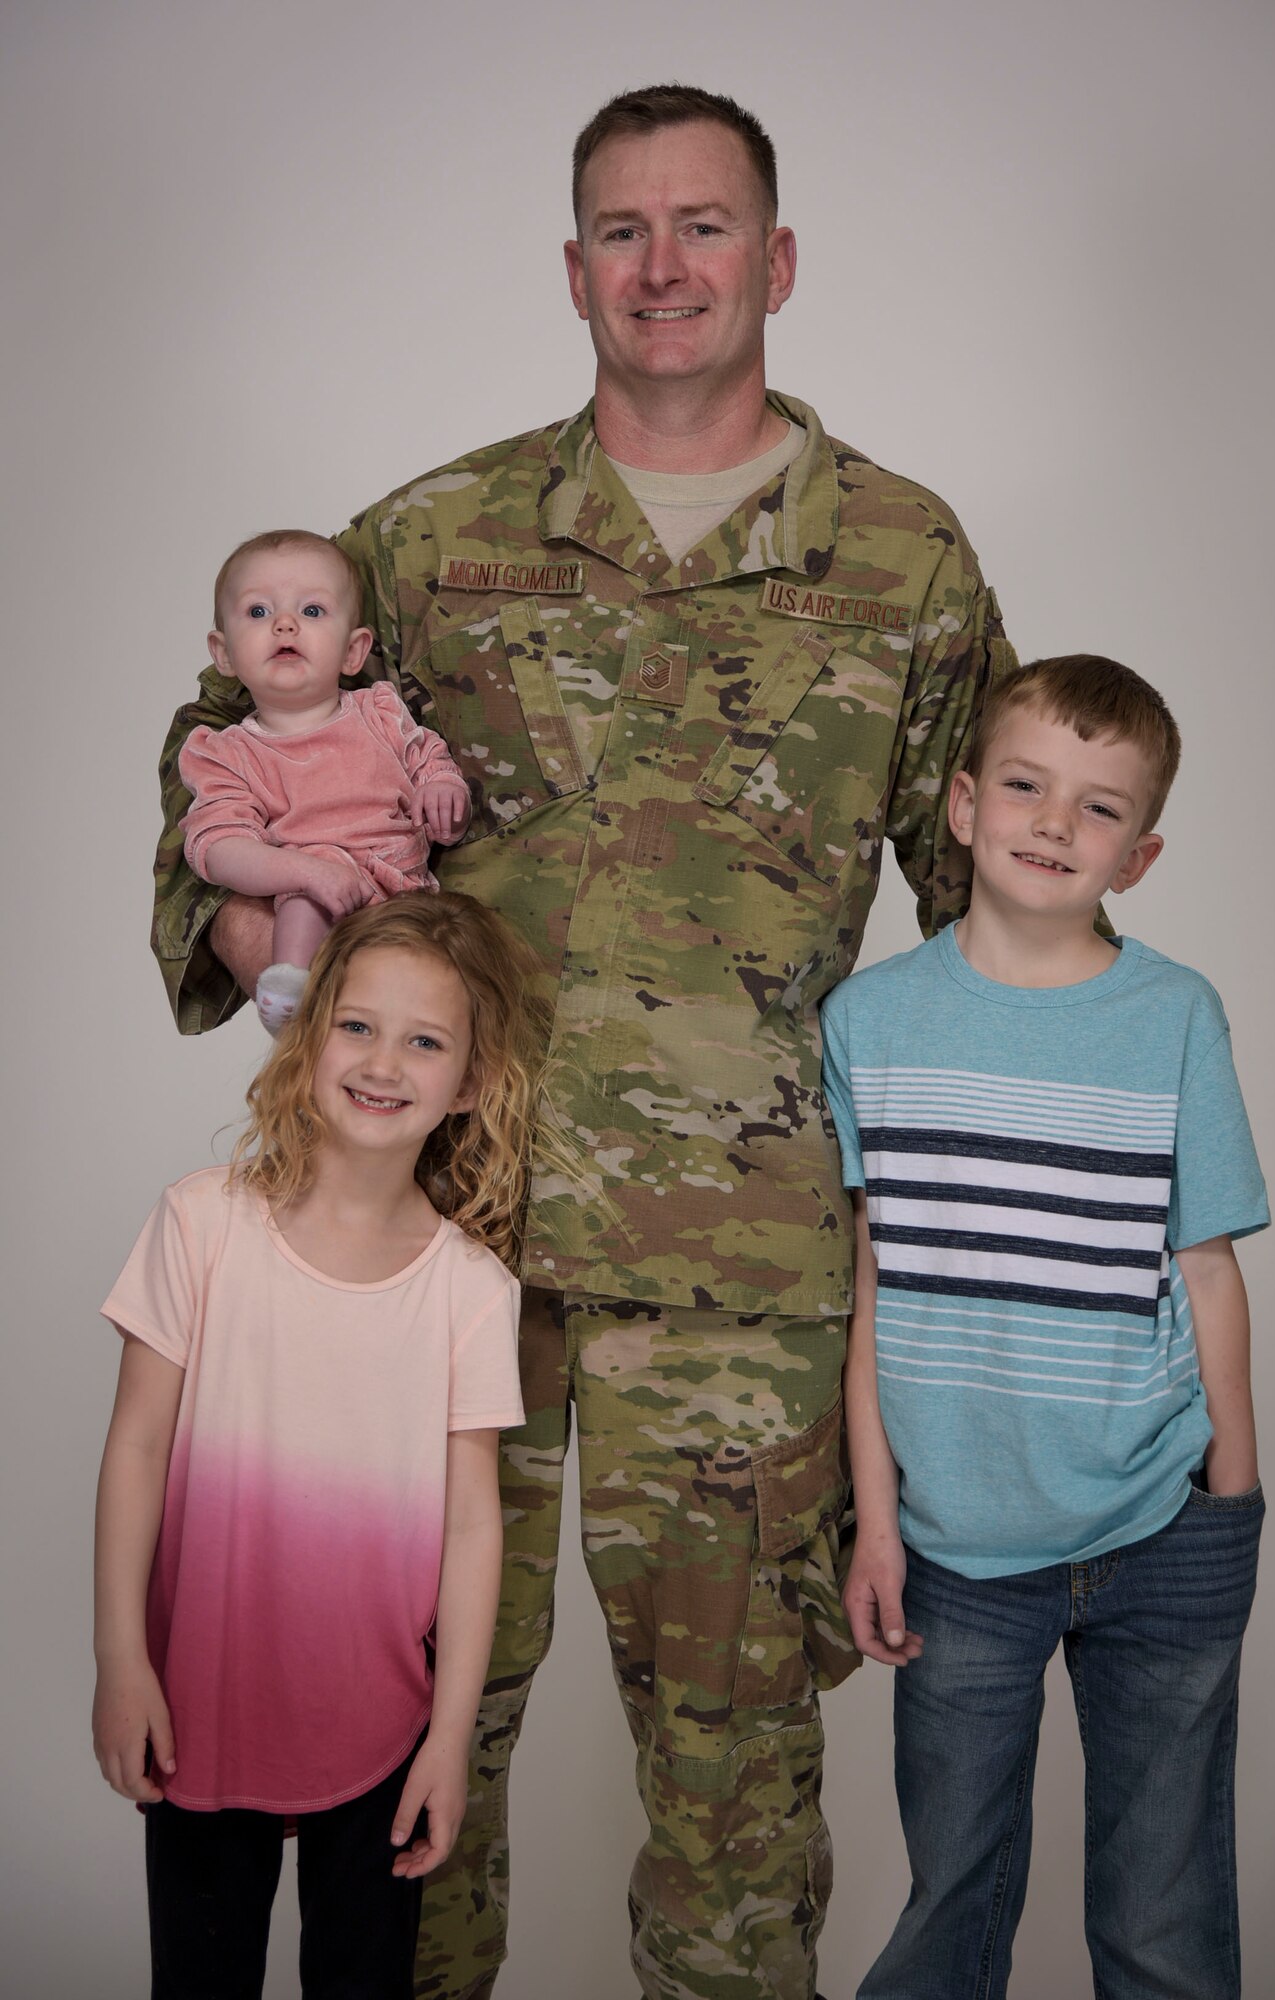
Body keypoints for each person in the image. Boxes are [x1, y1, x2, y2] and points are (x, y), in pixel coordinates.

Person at [150, 82, 1015, 2000]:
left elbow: (1002, 904)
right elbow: (230, 732)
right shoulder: (438, 542)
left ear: (775, 260)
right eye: (623, 232)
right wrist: (239, 901)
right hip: (442, 1254)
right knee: (408, 1762)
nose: (665, 266)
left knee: (733, 1802)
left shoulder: (902, 558)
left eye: (705, 226)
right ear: (572, 272)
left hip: (743, 1291)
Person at [822, 656, 1268, 2000]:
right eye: (1023, 786)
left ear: (1136, 856)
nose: (1050, 824)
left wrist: (1230, 1501)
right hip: (953, 1545)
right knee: (951, 1904)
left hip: (1157, 1523)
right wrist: (877, 1520)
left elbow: (1204, 1270)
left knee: (1158, 1918)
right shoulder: (870, 1022)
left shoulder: (1172, 1018)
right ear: (960, 805)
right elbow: (868, 1287)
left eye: (1096, 810)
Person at [93, 894, 539, 1999]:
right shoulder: (200, 1224)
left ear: (472, 1081)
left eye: (426, 1040)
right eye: (358, 1024)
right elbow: (137, 1445)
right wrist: (120, 1657)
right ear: (307, 1032)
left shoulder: (472, 1293)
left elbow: (475, 1520)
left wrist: (448, 1739)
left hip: (380, 1737)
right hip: (198, 1710)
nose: (385, 1062)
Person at [180, 530, 471, 1032]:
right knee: (302, 901)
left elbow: (428, 757)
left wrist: (443, 790)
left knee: (445, 968)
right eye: (258, 612)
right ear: (223, 655)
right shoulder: (227, 753)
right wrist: (302, 871)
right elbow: (216, 849)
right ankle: (292, 990)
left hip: (407, 896)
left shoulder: (379, 711)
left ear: (354, 651)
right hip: (317, 908)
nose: (285, 624)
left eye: (312, 611)